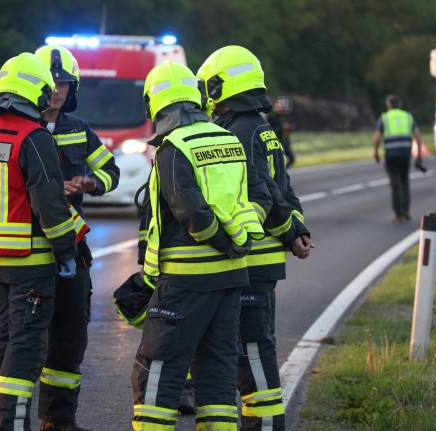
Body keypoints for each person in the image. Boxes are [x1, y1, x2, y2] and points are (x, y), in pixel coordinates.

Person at [132, 60, 266, 431]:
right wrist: (239, 241)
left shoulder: (172, 147)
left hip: (185, 283)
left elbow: (188, 209)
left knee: (156, 371)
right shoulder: (228, 139)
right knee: (218, 377)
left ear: (154, 105)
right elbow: (260, 194)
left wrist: (223, 242)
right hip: (230, 279)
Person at [197, 45, 313, 431]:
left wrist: (290, 231)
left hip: (252, 261)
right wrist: (298, 230)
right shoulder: (263, 127)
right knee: (253, 347)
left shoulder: (239, 131)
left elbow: (265, 190)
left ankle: (265, 425)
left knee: (251, 351)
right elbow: (287, 188)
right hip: (262, 262)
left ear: (220, 86)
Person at [0, 52, 78, 431]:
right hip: (30, 261)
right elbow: (49, 204)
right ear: (37, 91)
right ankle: (12, 424)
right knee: (27, 345)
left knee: (5, 339)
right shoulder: (33, 137)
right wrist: (68, 251)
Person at [35, 44, 119, 431]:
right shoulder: (24, 125)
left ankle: (59, 418)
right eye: (52, 81)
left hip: (72, 248)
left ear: (73, 89)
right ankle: (14, 418)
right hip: (31, 249)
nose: (56, 89)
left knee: (70, 335)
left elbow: (111, 171)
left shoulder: (78, 129)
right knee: (25, 340)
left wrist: (90, 182)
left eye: (64, 83)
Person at [373, 94, 423, 223]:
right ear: (400, 105)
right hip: (405, 155)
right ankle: (406, 210)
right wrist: (419, 154)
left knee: (396, 185)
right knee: (405, 181)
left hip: (391, 155)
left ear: (388, 105)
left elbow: (377, 137)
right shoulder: (408, 116)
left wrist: (376, 152)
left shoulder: (385, 117)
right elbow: (417, 135)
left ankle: (398, 214)